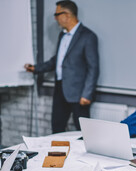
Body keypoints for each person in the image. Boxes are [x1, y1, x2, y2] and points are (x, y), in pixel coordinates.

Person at [24, 0, 99, 133]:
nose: (55, 18)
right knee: (57, 128)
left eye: (57, 14)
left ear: (67, 15)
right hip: (60, 89)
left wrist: (87, 94)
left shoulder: (88, 36)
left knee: (84, 132)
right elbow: (57, 61)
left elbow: (93, 67)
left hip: (79, 93)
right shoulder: (62, 35)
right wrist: (36, 68)